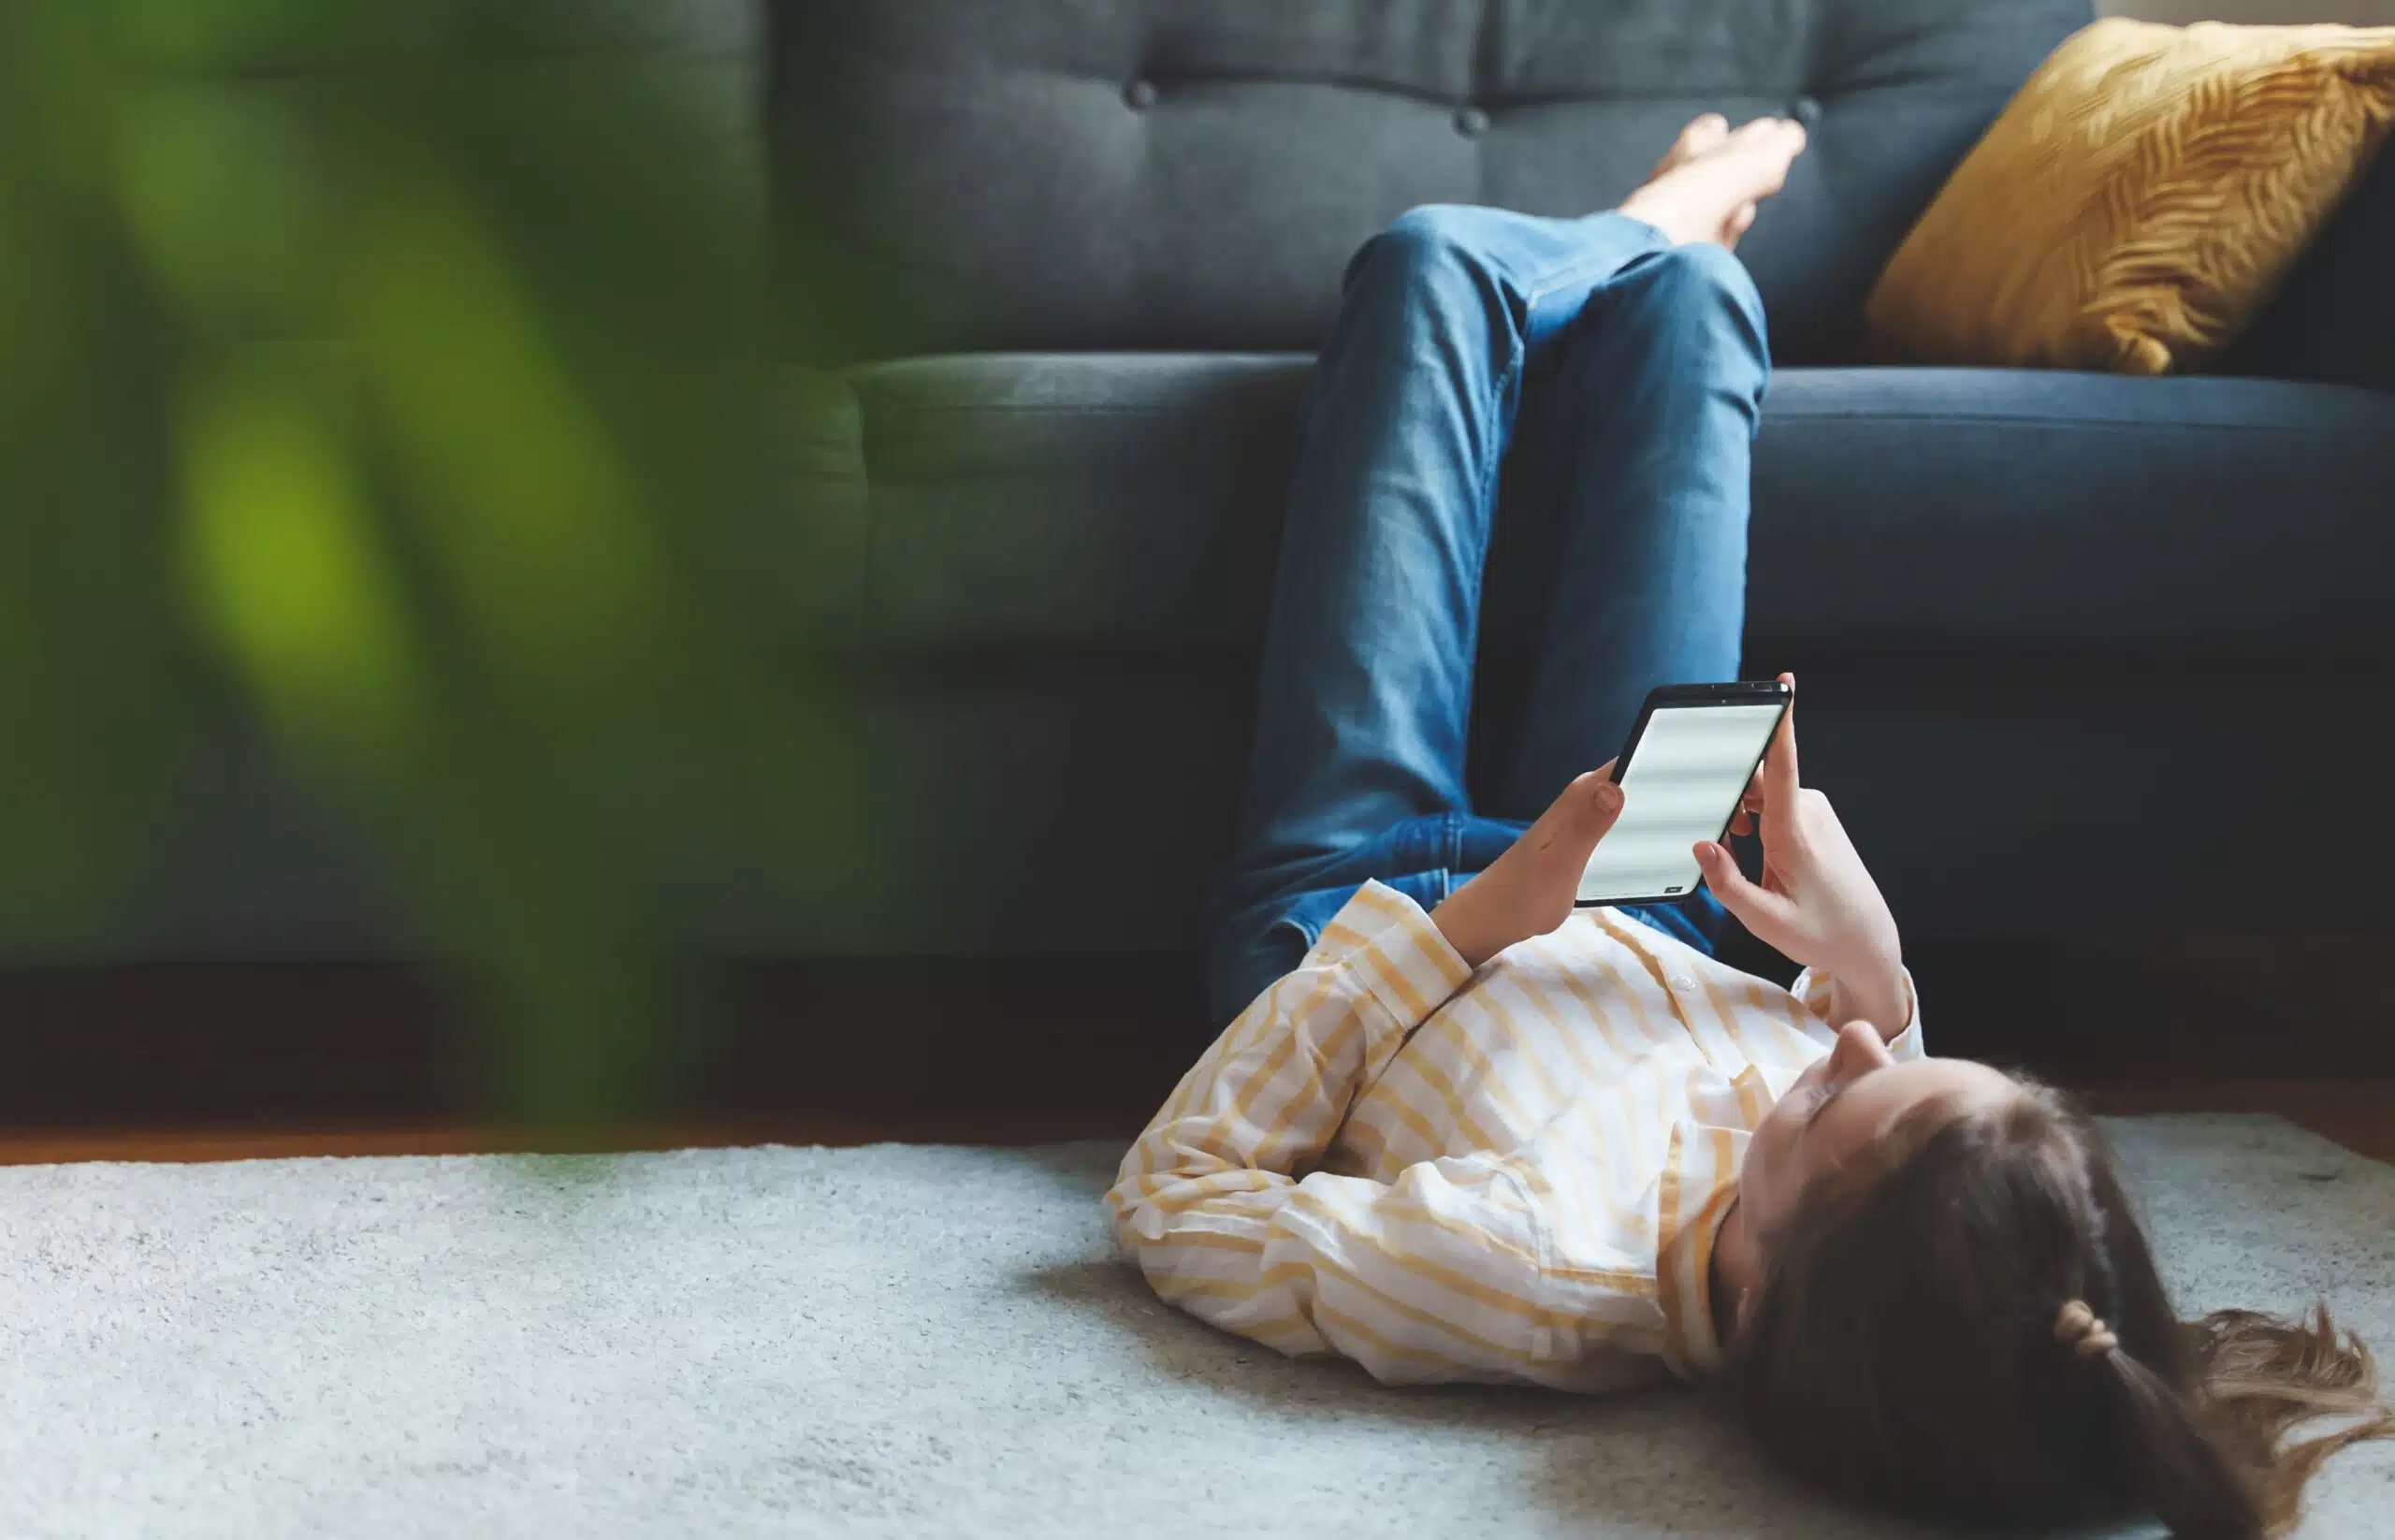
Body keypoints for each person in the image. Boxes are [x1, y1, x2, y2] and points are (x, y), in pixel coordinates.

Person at [1106, 116, 2391, 1537]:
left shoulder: (1521, 1264)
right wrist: (1874, 966)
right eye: (1931, 1061)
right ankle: (1667, 250)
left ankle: (1656, 212)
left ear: (1769, 1283)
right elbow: (1885, 1089)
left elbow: (1176, 1196)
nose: (1846, 1044)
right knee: (1704, 306)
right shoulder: (1895, 1223)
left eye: (1842, 1089)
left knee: (1431, 269)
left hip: (1366, 906)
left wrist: (1472, 921)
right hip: (1643, 897)